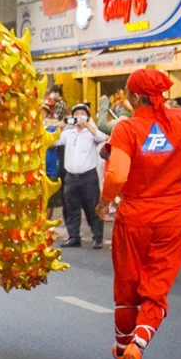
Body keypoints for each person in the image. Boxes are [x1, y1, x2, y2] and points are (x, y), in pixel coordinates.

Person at [96, 68, 181, 359]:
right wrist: (178, 166)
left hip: (134, 218)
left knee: (127, 293)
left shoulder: (127, 127)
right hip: (173, 220)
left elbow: (118, 175)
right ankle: (138, 345)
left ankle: (124, 355)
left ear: (135, 96)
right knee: (156, 290)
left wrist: (103, 203)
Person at [53, 103, 108, 249]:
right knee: (70, 208)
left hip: (88, 177)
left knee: (92, 207)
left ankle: (97, 236)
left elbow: (103, 138)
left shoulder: (92, 133)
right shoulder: (67, 134)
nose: (79, 117)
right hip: (71, 177)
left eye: (82, 114)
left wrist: (89, 126)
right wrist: (60, 126)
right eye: (76, 114)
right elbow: (52, 141)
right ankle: (73, 236)